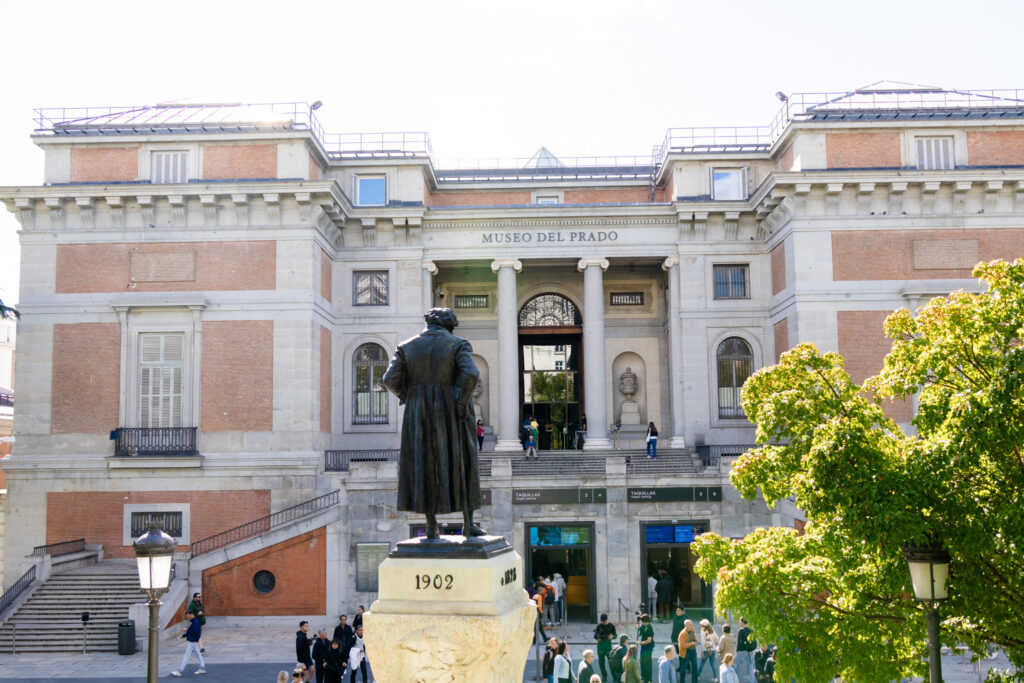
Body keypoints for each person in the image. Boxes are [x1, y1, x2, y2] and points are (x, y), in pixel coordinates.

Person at [381, 307, 484, 538]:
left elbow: (389, 379)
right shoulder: (458, 344)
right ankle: (468, 524)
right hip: (453, 411)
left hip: (418, 413)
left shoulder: (406, 347)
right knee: (465, 462)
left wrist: (410, 396)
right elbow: (471, 373)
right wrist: (458, 403)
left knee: (423, 463)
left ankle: (430, 525)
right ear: (449, 325)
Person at [170, 610, 206, 676]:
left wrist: (187, 630)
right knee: (198, 655)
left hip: (192, 641)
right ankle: (202, 668)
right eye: (187, 616)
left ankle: (180, 671)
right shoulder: (193, 621)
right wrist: (183, 636)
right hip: (194, 641)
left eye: (188, 616)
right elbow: (192, 631)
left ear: (192, 614)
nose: (187, 617)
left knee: (186, 656)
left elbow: (194, 632)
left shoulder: (195, 622)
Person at [594, 613, 617, 681]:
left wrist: (612, 636)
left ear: (607, 619)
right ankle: (604, 676)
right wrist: (598, 638)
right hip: (600, 646)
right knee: (601, 663)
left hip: (608, 646)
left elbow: (615, 636)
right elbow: (595, 635)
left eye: (604, 621)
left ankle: (614, 676)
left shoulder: (611, 626)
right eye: (602, 621)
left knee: (611, 662)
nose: (603, 622)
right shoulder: (599, 626)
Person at [736, 618, 756, 683]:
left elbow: (739, 642)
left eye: (740, 621)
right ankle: (751, 680)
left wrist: (737, 651)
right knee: (751, 666)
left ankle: (734, 679)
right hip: (750, 650)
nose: (739, 623)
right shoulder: (751, 630)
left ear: (742, 622)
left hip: (742, 650)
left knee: (738, 665)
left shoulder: (741, 630)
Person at [637, 613, 655, 683]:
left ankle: (649, 679)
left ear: (646, 621)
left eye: (642, 621)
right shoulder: (644, 626)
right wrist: (638, 626)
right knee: (642, 662)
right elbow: (640, 633)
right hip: (643, 646)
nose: (642, 623)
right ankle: (643, 677)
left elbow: (649, 640)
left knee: (647, 663)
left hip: (647, 647)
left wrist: (640, 643)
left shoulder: (649, 628)